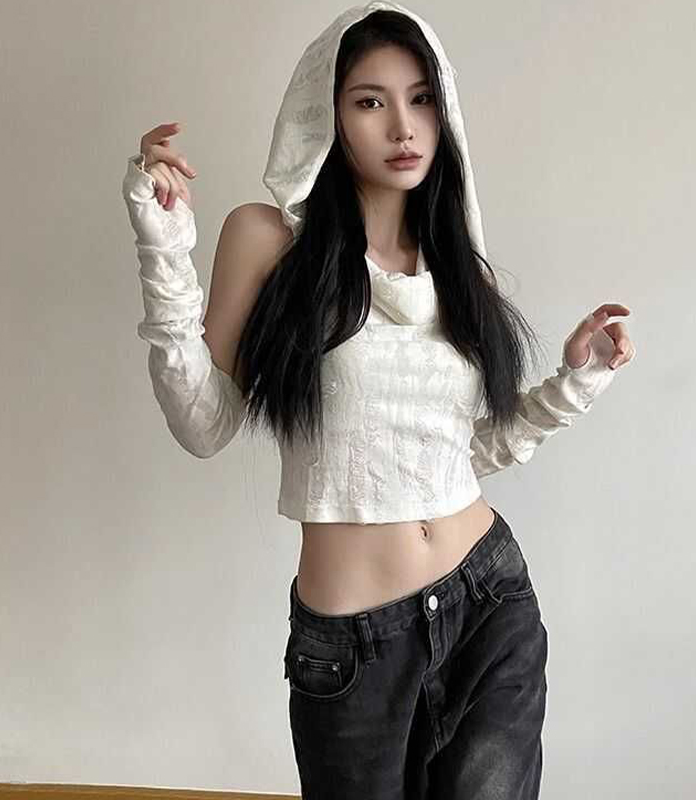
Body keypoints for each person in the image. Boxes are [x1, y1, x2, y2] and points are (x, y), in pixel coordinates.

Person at [121, 2, 636, 797]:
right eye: (371, 101)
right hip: (353, 646)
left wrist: (578, 380)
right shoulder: (268, 240)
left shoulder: (459, 268)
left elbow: (466, 454)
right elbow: (202, 424)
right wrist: (163, 249)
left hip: (489, 600)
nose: (403, 126)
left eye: (421, 98)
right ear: (327, 115)